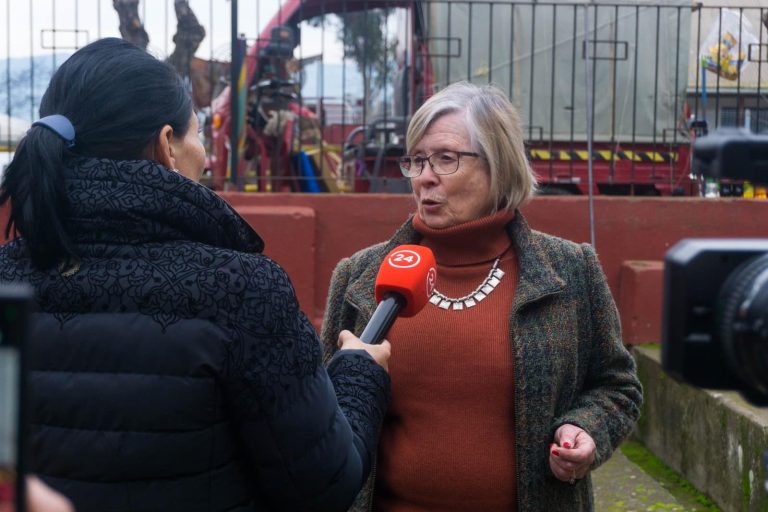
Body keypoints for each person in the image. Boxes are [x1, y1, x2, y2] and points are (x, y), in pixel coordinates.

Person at [0, 37, 391, 512]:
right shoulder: (242, 289)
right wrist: (359, 373)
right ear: (168, 145)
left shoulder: (8, 276)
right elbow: (324, 485)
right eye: (198, 132)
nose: (204, 152)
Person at [321, 81, 643, 511]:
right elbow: (319, 409)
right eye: (416, 161)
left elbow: (616, 386)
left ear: (499, 164)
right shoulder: (359, 277)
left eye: (446, 158)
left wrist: (586, 430)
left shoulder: (571, 271)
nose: (424, 176)